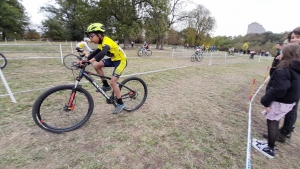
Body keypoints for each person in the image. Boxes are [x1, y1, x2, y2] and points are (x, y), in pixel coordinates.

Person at [252, 43, 300, 158]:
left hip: (280, 102)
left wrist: (265, 101)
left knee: (272, 122)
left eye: (282, 52)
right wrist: (276, 62)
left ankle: (270, 148)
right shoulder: (294, 68)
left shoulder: (284, 71)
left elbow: (279, 89)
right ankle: (269, 144)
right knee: (275, 119)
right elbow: (273, 74)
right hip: (289, 102)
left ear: (286, 54)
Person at [80, 23, 127, 114]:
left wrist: (90, 61)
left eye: (92, 36)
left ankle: (120, 103)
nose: (91, 39)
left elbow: (103, 53)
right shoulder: (100, 43)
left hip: (121, 61)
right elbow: (95, 53)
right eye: (90, 36)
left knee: (113, 82)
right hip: (113, 59)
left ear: (99, 34)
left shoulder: (106, 41)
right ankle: (105, 86)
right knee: (96, 65)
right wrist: (85, 61)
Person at [263, 26, 300, 143]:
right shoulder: (289, 58)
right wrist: (279, 60)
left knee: (279, 115)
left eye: (297, 37)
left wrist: (266, 100)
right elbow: (275, 72)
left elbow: (281, 86)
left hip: (289, 94)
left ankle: (283, 134)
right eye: (292, 37)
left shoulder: (289, 66)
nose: (294, 39)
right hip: (289, 91)